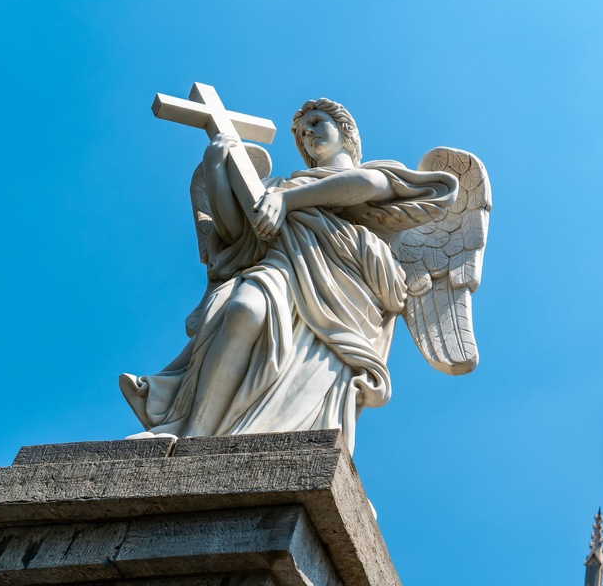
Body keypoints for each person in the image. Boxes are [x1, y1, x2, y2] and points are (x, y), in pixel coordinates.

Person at [121, 99, 458, 451]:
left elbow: (365, 184)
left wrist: (289, 202)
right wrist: (217, 166)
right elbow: (240, 235)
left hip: (345, 296)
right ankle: (194, 433)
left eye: (316, 122)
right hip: (283, 266)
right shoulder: (280, 184)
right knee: (243, 311)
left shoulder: (379, 173)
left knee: (295, 366)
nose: (307, 133)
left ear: (346, 132)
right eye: (300, 132)